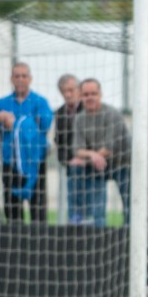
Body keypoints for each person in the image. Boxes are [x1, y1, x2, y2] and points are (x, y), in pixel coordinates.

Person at [0, 62, 52, 224]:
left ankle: (38, 248)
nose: (20, 79)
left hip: (35, 164)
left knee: (38, 210)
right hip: (10, 164)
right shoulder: (2, 103)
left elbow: (45, 123)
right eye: (16, 76)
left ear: (30, 79)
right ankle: (16, 249)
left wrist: (18, 123)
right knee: (12, 211)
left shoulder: (40, 102)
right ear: (11, 79)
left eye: (24, 76)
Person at [70, 78, 130, 226]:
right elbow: (77, 150)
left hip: (123, 164)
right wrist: (92, 155)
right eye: (86, 94)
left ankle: (130, 237)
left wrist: (90, 155)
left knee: (130, 206)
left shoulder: (112, 114)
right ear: (81, 96)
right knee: (97, 209)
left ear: (100, 95)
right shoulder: (79, 118)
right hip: (98, 166)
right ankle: (89, 227)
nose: (90, 97)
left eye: (93, 94)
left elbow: (109, 148)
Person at [53, 74, 84, 223]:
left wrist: (84, 157)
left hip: (92, 165)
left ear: (79, 90)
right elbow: (59, 142)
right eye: (64, 91)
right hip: (72, 167)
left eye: (71, 90)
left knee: (94, 209)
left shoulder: (88, 108)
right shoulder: (59, 114)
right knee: (73, 206)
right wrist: (70, 160)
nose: (68, 94)